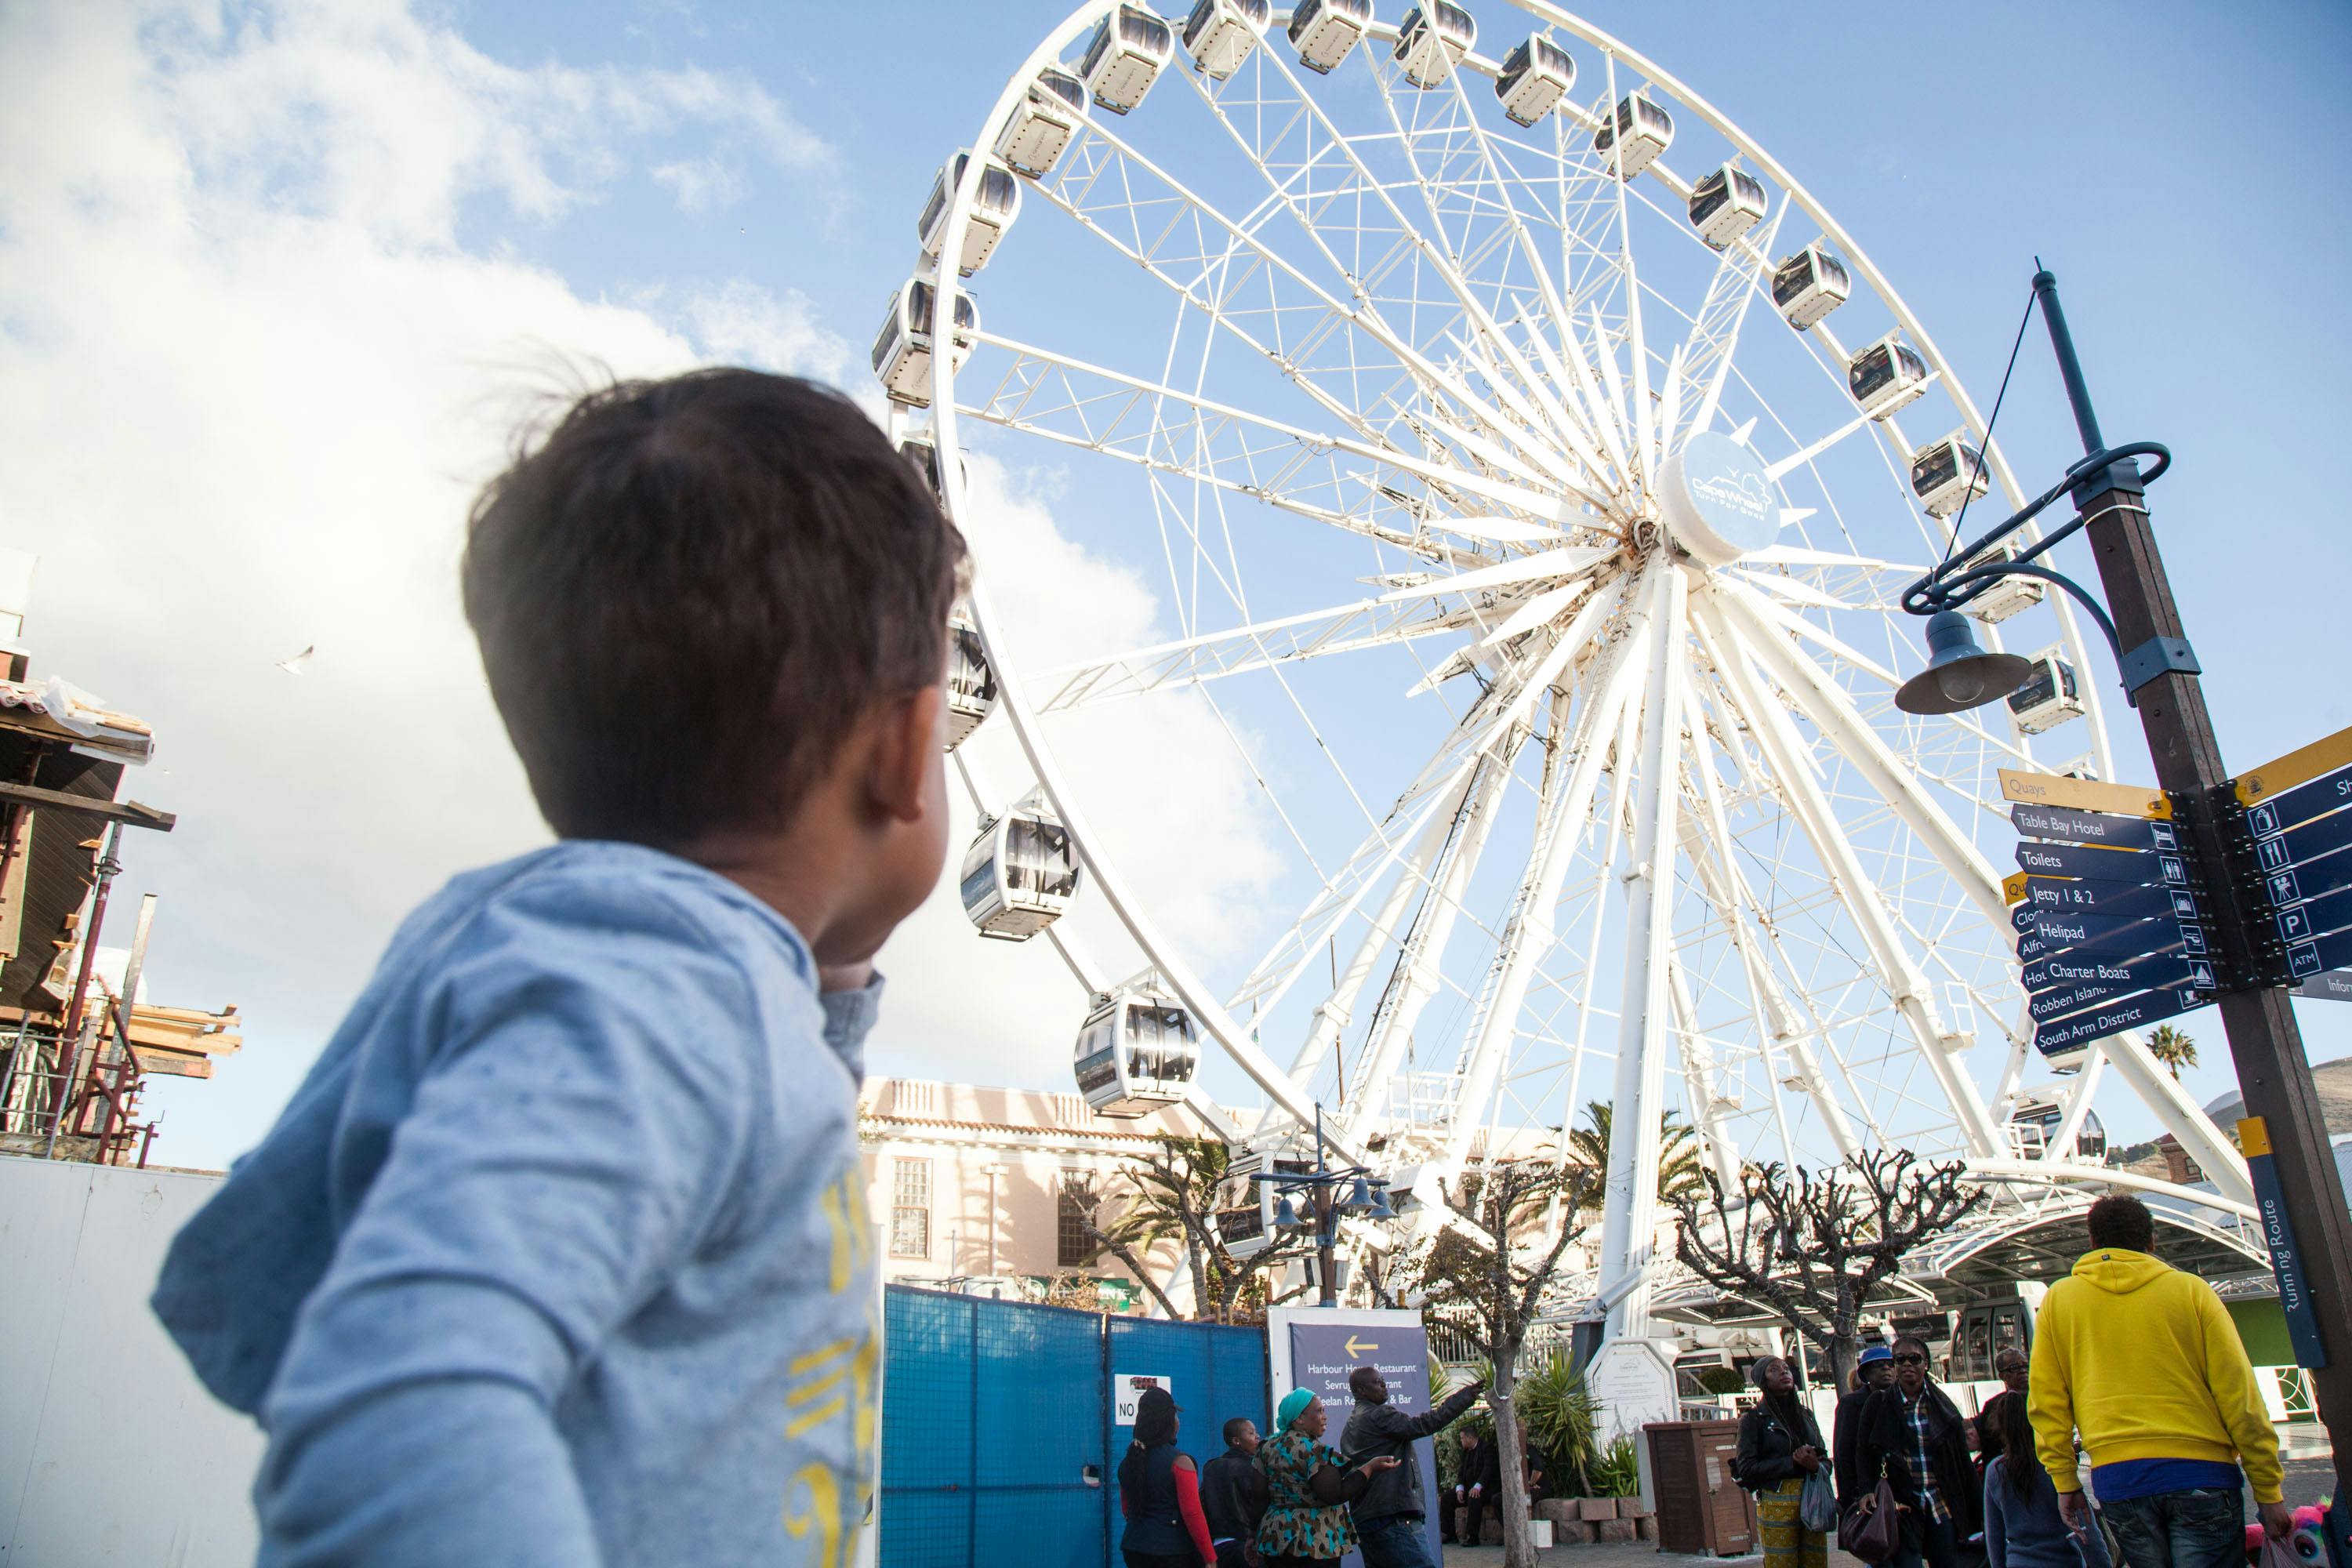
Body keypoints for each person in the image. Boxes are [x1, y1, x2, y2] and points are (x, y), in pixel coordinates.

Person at [148, 371, 965, 1563]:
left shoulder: (605, 967)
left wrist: (832, 994)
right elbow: (400, 1396)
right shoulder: (658, 991)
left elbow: (251, 1305)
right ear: (903, 749)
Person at [2027, 1194, 2291, 1568]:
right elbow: (2239, 1395)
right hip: (2203, 1473)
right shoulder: (2191, 1292)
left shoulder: (2059, 1302)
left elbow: (2046, 1402)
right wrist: (2268, 1488)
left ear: (2092, 1241)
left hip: (2119, 1479)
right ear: (2152, 1242)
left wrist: (2065, 1481)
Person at [1855, 1334, 1984, 1568]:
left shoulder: (1943, 1405)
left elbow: (1961, 1461)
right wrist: (1865, 1490)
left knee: (1948, 1562)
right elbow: (1863, 1451)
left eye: (1914, 1359)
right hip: (1901, 1505)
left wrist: (1976, 1510)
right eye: (1900, 1359)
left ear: (1926, 1364)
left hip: (1940, 1502)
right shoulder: (1878, 1404)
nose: (1906, 1365)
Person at [1340, 1364, 1484, 1568]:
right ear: (1361, 1391)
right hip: (1392, 1519)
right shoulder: (1379, 1415)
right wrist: (1463, 1398)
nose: (1384, 1384)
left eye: (1383, 1380)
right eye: (1377, 1382)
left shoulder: (1350, 1425)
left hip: (1367, 1519)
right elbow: (1425, 1424)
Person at [1255, 1389, 1401, 1566]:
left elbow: (1258, 1496)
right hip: (1314, 1540)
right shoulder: (1314, 1451)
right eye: (1319, 1411)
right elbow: (1334, 1494)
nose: (1325, 1417)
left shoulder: (1266, 1447)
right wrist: (1370, 1468)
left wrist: (1252, 1536)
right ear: (1299, 1418)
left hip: (1275, 1537)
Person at [1985, 1383, 2111, 1568]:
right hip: (2063, 1562)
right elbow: (2087, 1532)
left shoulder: (1995, 1471)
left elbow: (1994, 1537)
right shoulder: (2054, 1466)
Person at [1737, 1356, 1831, 1568]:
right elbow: (1747, 1468)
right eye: (1774, 1370)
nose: (1784, 1372)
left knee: (1816, 1562)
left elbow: (1826, 1460)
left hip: (1811, 1497)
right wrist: (1793, 1463)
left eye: (1786, 1368)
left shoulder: (1805, 1415)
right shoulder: (1753, 1420)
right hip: (1776, 1500)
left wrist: (1816, 1466)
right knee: (1782, 1563)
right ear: (1763, 1381)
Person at [1120, 1387, 1219, 1568]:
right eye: (1176, 1416)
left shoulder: (1129, 1461)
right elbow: (1192, 1513)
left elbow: (1127, 1508)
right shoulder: (1180, 1462)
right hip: (1172, 1552)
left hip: (1133, 1547)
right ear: (1169, 1421)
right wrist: (1210, 1557)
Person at [1203, 1417, 1270, 1568]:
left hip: (1217, 1546)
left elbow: (1203, 1505)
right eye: (1251, 1433)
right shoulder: (1254, 1468)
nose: (1258, 1436)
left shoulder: (1211, 1467)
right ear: (1236, 1441)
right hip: (1246, 1545)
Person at [1837, 1345, 1898, 1508]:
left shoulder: (1903, 1400)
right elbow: (1844, 1453)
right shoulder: (1851, 1404)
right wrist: (1850, 1497)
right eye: (1878, 1365)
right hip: (1868, 1491)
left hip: (1901, 1488)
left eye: (1890, 1364)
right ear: (1866, 1373)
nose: (1886, 1368)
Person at [1441, 1425, 1502, 1548]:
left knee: (1474, 1497)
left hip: (1486, 1489)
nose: (1461, 1441)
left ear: (1470, 1438)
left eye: (1462, 1438)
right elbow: (1461, 1472)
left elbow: (1488, 1469)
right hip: (1469, 1488)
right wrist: (1460, 1489)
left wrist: (1478, 1486)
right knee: (1447, 1497)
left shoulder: (1486, 1448)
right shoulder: (1465, 1452)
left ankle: (1472, 1536)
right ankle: (1450, 1533)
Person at [1976, 1348, 2033, 1469]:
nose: (2023, 1371)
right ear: (2002, 1375)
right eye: (2014, 1368)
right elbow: (1990, 1449)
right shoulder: (1994, 1406)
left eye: (2026, 1366)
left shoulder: (2042, 1398)